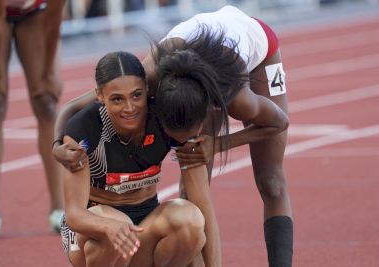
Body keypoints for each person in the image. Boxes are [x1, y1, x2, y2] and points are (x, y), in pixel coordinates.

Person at [54, 5, 292, 266]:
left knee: (271, 182)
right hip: (191, 61)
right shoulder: (145, 79)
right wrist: (57, 145)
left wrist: (218, 144)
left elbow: (279, 122)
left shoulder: (238, 98)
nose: (130, 105)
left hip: (257, 53)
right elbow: (71, 107)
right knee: (190, 196)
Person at [60, 51, 218, 267]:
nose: (129, 108)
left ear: (146, 88)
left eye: (136, 95)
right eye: (117, 99)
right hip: (93, 233)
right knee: (117, 225)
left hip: (146, 224)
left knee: (191, 223)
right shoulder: (85, 129)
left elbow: (203, 207)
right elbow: (74, 215)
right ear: (99, 95)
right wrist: (106, 226)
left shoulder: (166, 118)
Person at [0, 0, 65, 238]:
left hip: (36, 13)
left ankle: (59, 210)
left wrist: (47, 75)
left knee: (47, 103)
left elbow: (53, 21)